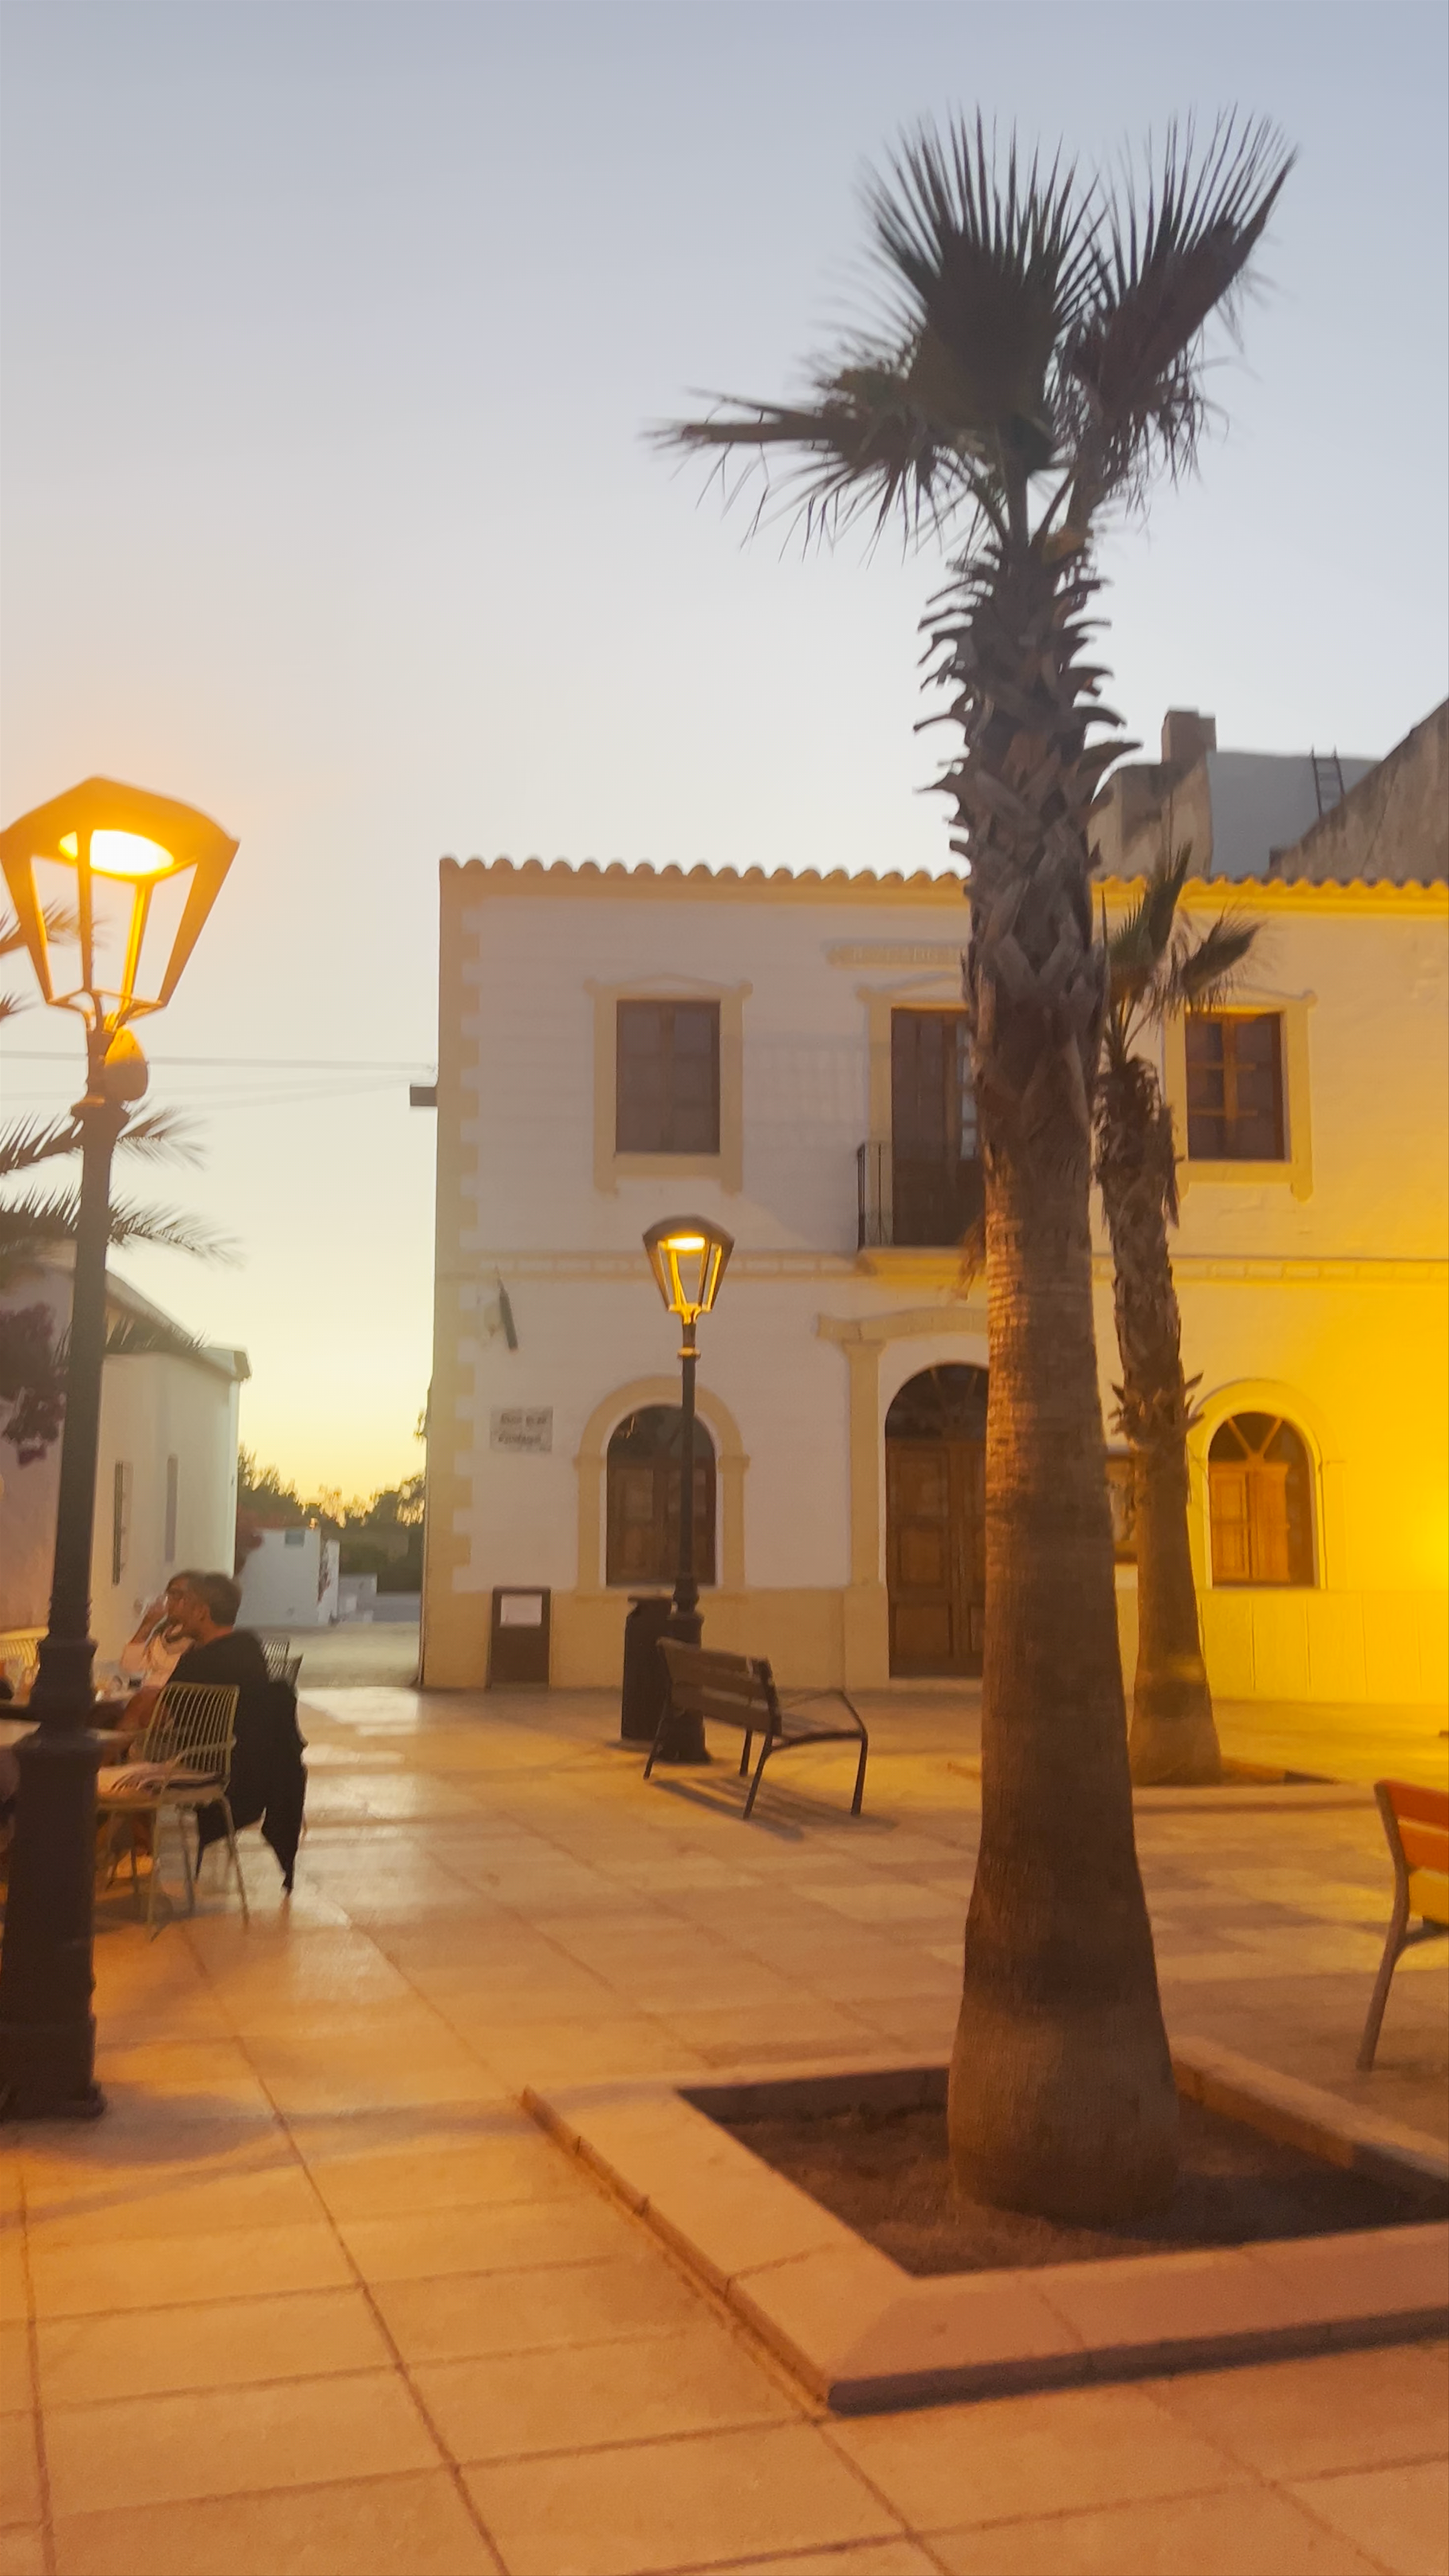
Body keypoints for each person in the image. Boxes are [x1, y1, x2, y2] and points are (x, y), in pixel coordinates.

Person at [128, 1570, 306, 1893]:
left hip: (203, 1764)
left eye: (185, 1603)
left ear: (201, 1612)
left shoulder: (199, 1662)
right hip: (245, 1761)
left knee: (127, 1755)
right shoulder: (248, 1647)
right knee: (131, 1731)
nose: (177, 1610)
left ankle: (116, 1844)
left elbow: (157, 1721)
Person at [119, 1573, 203, 1691]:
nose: (170, 1600)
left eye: (178, 1595)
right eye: (170, 1594)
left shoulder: (197, 1636)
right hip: (151, 1696)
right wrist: (147, 1625)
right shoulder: (164, 1632)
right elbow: (130, 1666)